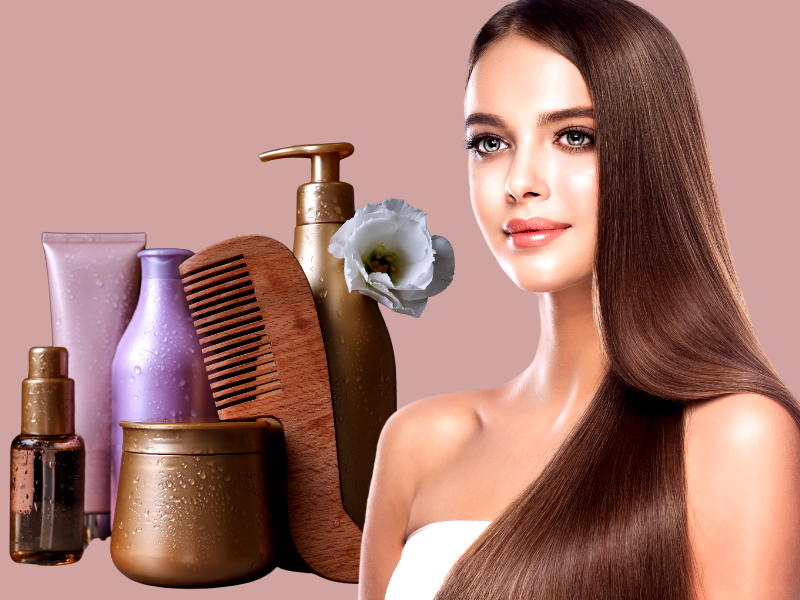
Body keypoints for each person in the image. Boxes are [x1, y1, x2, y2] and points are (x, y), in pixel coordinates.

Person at [357, 0, 800, 599]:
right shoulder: (417, 442)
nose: (519, 182)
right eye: (489, 143)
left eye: (573, 137)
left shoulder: (738, 437)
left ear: (652, 158)